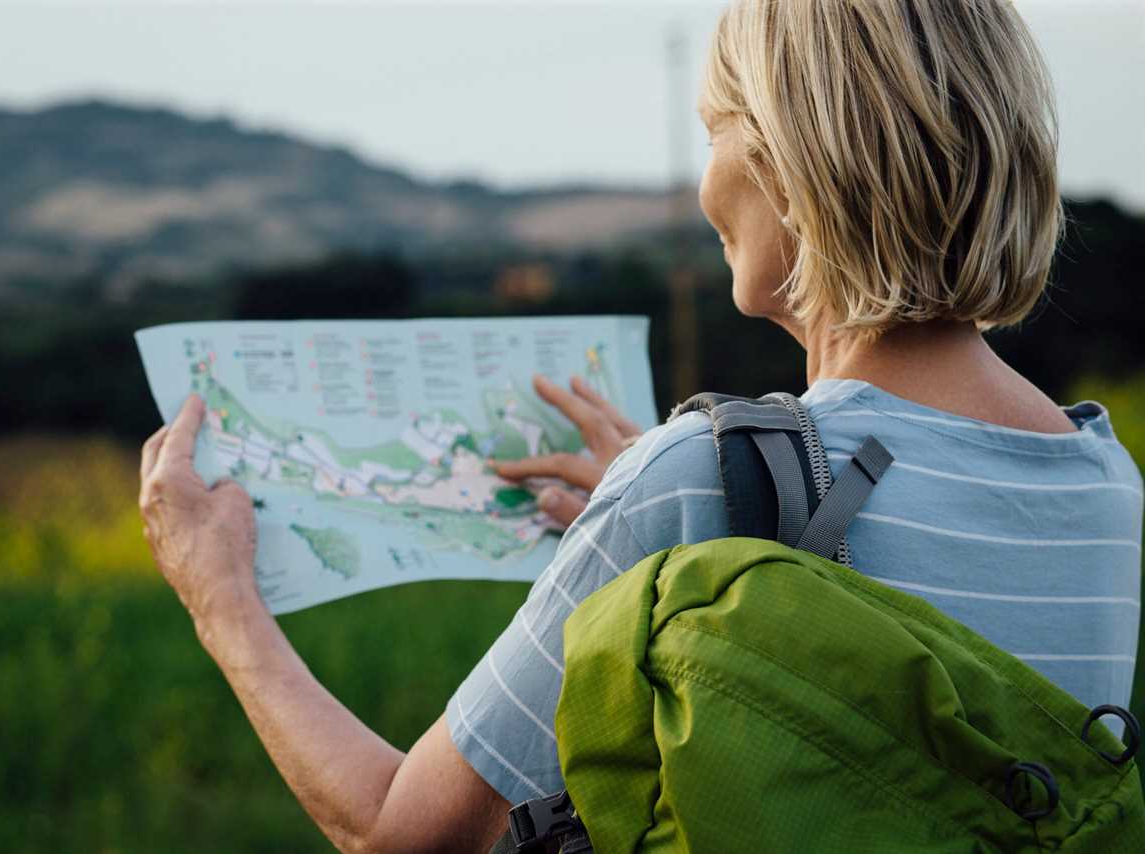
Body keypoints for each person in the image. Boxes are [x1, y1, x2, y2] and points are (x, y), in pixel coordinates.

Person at [137, 1, 1143, 850]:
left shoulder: (686, 482)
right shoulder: (1102, 480)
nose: (705, 182)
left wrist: (220, 598)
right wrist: (687, 502)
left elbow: (400, 830)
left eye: (714, 131)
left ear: (790, 164)